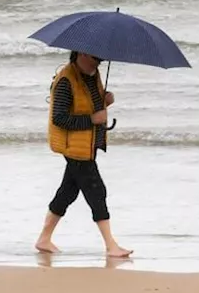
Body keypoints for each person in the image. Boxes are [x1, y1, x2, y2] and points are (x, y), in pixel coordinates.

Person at [34, 51, 131, 258]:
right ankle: (111, 245)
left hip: (87, 146)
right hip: (74, 148)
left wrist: (105, 101)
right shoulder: (65, 81)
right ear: (83, 54)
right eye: (97, 59)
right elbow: (59, 119)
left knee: (68, 192)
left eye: (102, 60)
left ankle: (44, 239)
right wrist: (93, 119)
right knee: (97, 191)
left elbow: (91, 105)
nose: (99, 64)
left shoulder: (91, 75)